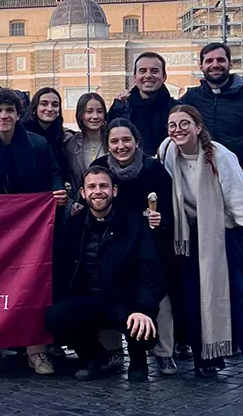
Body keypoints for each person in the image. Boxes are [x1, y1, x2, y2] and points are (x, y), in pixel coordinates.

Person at [158, 105, 243, 383]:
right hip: (191, 236)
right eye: (172, 125)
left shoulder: (221, 156)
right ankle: (208, 359)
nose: (177, 130)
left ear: (198, 127)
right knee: (194, 298)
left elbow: (240, 200)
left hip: (229, 231)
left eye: (184, 124)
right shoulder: (168, 152)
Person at [0, 88, 67, 375]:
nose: (4, 116)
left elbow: (54, 175)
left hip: (31, 232)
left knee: (33, 287)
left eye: (9, 111)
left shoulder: (37, 144)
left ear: (19, 114)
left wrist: (55, 194)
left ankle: (37, 350)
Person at [46, 167, 164, 382]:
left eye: (103, 186)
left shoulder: (135, 223)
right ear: (82, 193)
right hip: (87, 298)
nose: (97, 191)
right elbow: (61, 265)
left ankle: (138, 360)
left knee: (142, 332)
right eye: (91, 187)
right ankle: (95, 358)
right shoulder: (74, 224)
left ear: (114, 190)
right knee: (55, 317)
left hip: (125, 300)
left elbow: (151, 270)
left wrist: (143, 308)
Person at [179, 42, 243, 252]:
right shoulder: (191, 100)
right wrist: (126, 99)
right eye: (209, 61)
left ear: (229, 64)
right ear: (201, 66)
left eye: (220, 60)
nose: (215, 64)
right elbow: (162, 114)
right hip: (209, 193)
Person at [91, 119, 178, 375]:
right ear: (107, 145)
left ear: (137, 142)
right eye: (114, 141)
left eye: (126, 140)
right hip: (113, 241)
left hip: (148, 241)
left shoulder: (154, 170)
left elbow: (170, 210)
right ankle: (113, 350)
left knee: (157, 293)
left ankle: (163, 352)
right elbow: (91, 201)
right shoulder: (99, 168)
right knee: (107, 289)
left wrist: (160, 219)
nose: (121, 146)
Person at [107, 52, 177, 152]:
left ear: (164, 76)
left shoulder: (176, 110)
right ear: (135, 77)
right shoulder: (120, 109)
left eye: (154, 71)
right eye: (143, 71)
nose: (148, 75)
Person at [22, 87, 72, 181]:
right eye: (44, 104)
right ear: (35, 107)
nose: (49, 109)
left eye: (55, 105)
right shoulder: (23, 134)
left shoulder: (61, 136)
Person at [64, 92, 108, 190]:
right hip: (81, 202)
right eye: (89, 111)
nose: (95, 116)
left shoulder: (113, 141)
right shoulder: (70, 144)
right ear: (81, 114)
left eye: (100, 111)